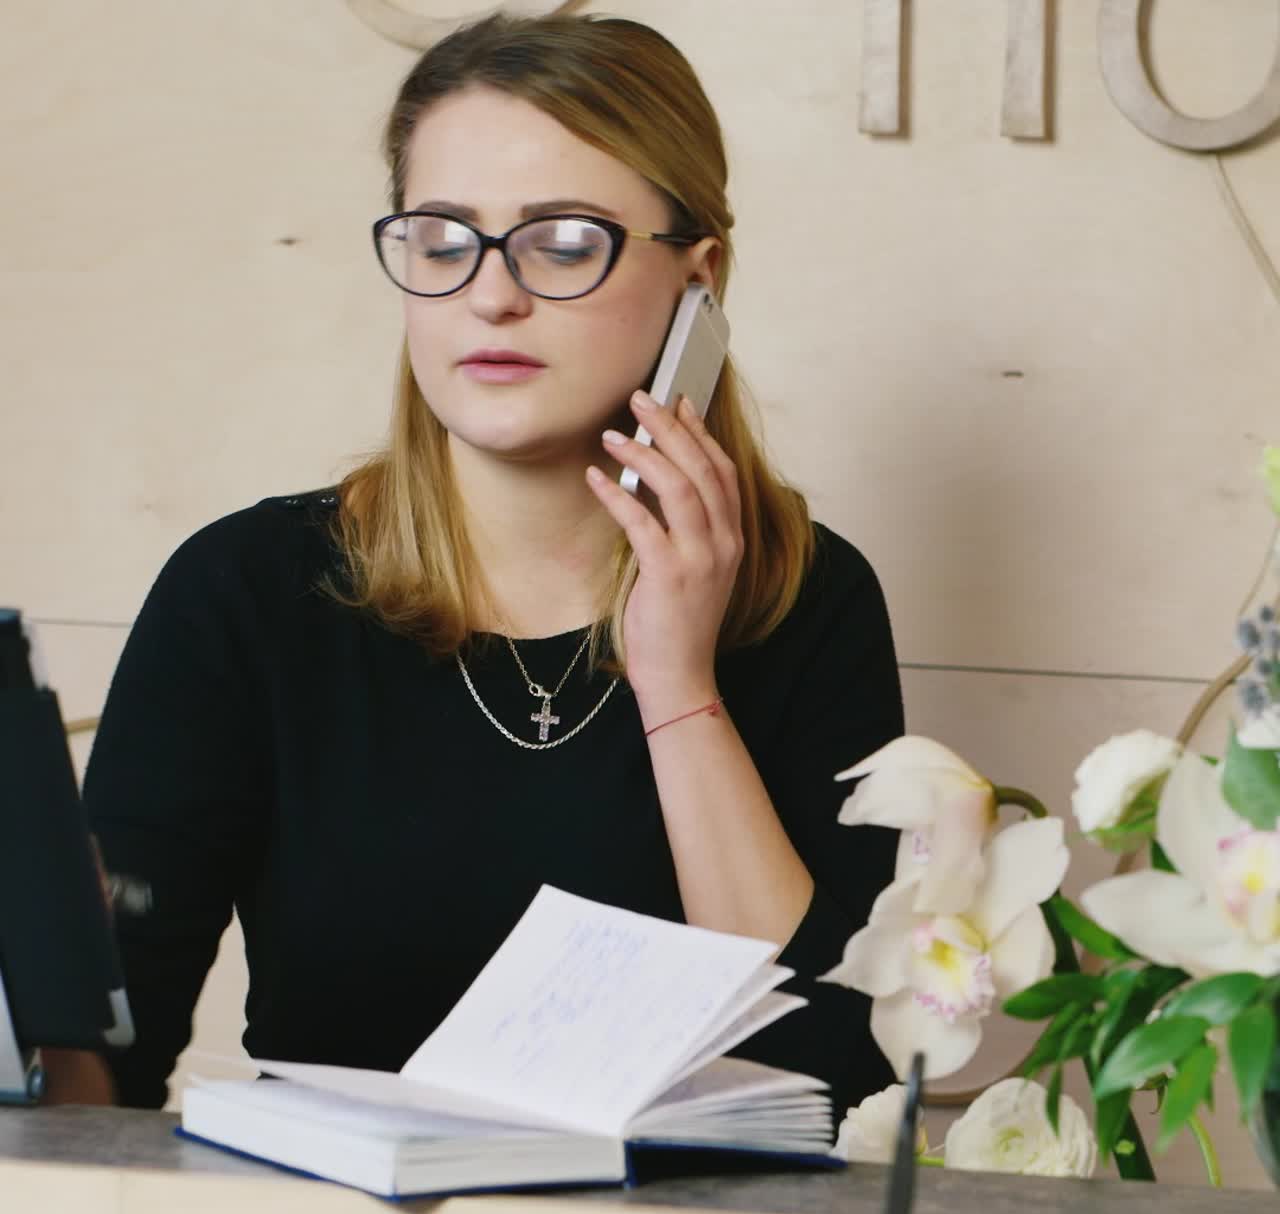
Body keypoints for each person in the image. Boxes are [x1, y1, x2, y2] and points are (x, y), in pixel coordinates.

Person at [48, 13, 903, 1124]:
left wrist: (677, 681)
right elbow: (98, 1066)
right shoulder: (246, 591)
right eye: (444, 238)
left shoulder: (807, 598)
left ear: (700, 279)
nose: (490, 294)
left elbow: (827, 1068)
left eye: (561, 240)